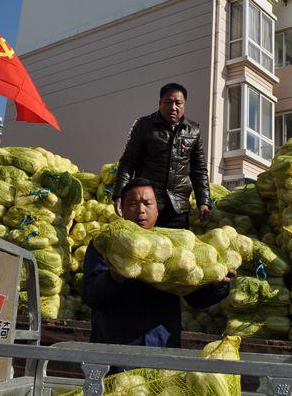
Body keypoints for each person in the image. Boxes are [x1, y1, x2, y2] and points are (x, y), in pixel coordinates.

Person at [83, 178, 232, 360]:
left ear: (157, 209)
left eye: (147, 203)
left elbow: (195, 299)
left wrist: (217, 286)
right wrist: (114, 276)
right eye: (133, 203)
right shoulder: (104, 244)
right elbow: (91, 295)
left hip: (162, 349)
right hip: (115, 351)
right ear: (121, 209)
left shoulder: (172, 246)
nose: (141, 210)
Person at [113, 83, 210, 228]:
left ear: (184, 105)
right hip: (148, 203)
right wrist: (119, 194)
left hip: (178, 206)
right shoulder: (144, 125)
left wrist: (204, 201)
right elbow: (127, 163)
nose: (173, 107)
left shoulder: (193, 130)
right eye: (168, 102)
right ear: (160, 103)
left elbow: (199, 170)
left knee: (176, 242)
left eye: (178, 103)